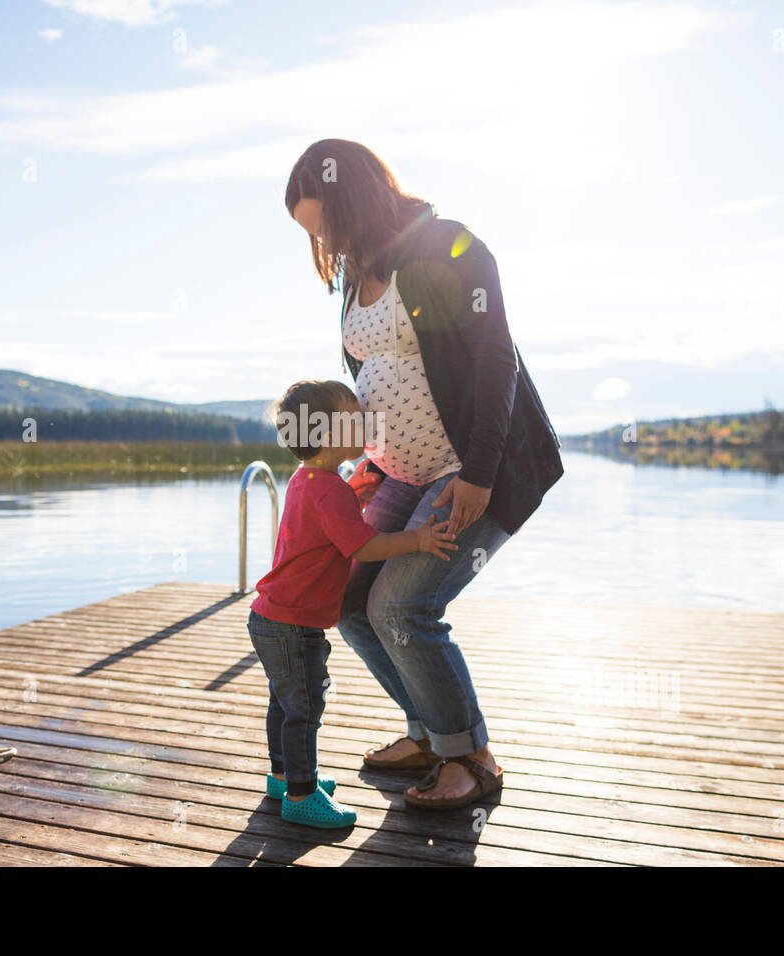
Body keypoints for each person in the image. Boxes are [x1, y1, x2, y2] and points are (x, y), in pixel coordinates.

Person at [284, 139, 565, 810]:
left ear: (352, 197)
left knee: (402, 605)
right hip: (398, 475)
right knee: (349, 602)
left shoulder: (446, 246)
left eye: (323, 223)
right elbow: (375, 381)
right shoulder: (355, 274)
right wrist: (365, 466)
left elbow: (497, 359)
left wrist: (479, 471)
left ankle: (472, 759)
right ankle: (427, 734)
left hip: (469, 467)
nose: (322, 240)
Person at [249, 379, 457, 828]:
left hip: (271, 617)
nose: (364, 422)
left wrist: (354, 497)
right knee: (304, 709)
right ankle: (302, 796)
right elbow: (363, 546)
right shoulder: (330, 490)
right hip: (294, 624)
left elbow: (332, 526)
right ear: (326, 435)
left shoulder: (308, 480)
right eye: (354, 417)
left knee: (284, 705)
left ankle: (283, 777)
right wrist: (418, 538)